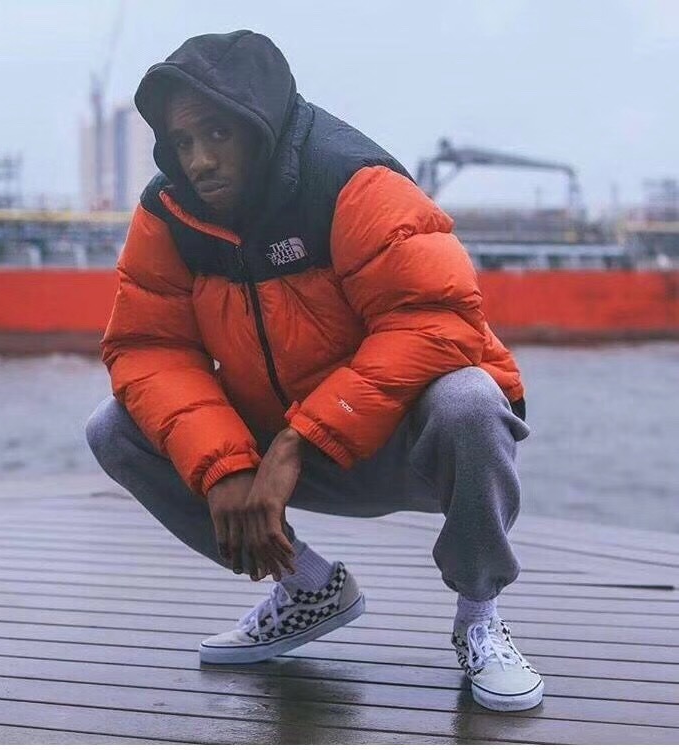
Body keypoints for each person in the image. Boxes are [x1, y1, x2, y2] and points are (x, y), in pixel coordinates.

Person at [86, 29, 543, 712]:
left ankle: (479, 616)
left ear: (259, 122)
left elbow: (438, 319)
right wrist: (223, 466)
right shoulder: (170, 214)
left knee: (471, 399)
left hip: (401, 448)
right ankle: (307, 587)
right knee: (112, 428)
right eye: (182, 142)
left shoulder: (352, 182)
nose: (200, 160)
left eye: (217, 133)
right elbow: (149, 348)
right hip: (282, 453)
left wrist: (298, 442)